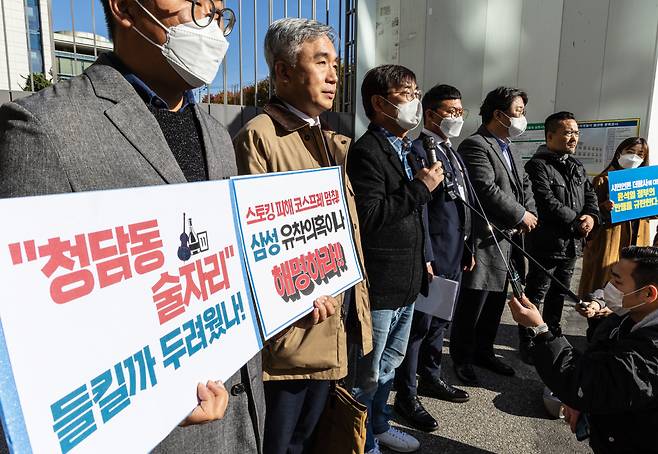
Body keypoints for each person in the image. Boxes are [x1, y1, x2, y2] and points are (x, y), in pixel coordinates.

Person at [0, 1, 265, 452]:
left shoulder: (217, 134)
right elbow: (27, 339)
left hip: (242, 418)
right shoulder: (44, 129)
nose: (213, 27)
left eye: (219, 12)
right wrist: (150, 400)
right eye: (196, 6)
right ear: (124, 8)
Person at [232, 18, 373, 454]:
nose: (334, 76)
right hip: (294, 335)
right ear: (284, 72)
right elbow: (255, 247)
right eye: (321, 62)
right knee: (282, 443)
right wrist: (293, 304)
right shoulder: (259, 137)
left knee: (314, 437)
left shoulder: (328, 139)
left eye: (336, 64)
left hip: (334, 321)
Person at [347, 64, 443, 454]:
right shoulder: (367, 151)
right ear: (379, 102)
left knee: (392, 363)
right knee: (368, 372)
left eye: (416, 92)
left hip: (409, 277)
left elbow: (415, 218)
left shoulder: (409, 149)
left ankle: (380, 425)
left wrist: (425, 258)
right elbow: (370, 217)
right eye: (406, 94)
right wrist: (421, 188)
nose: (415, 101)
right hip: (382, 282)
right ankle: (360, 440)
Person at [509, 246, 658, 454]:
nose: (609, 288)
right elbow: (601, 359)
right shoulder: (633, 314)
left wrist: (540, 330)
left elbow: (591, 382)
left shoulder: (650, 354)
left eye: (617, 282)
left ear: (648, 293)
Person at [393, 84, 471, 433]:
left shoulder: (450, 151)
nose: (457, 118)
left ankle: (431, 375)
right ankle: (407, 395)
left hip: (455, 250)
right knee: (418, 327)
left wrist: (467, 245)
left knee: (440, 320)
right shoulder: (418, 150)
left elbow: (462, 202)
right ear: (431, 114)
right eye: (451, 112)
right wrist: (425, 254)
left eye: (460, 112)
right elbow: (420, 210)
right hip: (433, 253)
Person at [450, 86, 537, 385]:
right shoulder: (475, 145)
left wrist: (529, 212)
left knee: (496, 302)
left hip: (509, 239)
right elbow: (486, 189)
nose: (522, 118)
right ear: (498, 114)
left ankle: (484, 351)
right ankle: (461, 358)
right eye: (518, 112)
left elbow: (524, 186)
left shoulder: (508, 146)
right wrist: (520, 214)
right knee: (473, 303)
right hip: (485, 240)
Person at [519, 112, 600, 364]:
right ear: (550, 135)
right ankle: (529, 341)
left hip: (571, 245)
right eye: (567, 132)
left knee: (559, 294)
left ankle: (552, 338)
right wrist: (577, 222)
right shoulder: (537, 165)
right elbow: (545, 201)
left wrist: (591, 217)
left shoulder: (576, 165)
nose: (573, 137)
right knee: (536, 294)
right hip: (546, 244)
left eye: (576, 132)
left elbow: (590, 196)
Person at [579, 137, 652, 296]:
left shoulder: (648, 182)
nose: (634, 158)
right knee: (603, 286)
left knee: (632, 285)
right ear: (620, 153)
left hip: (637, 240)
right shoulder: (603, 180)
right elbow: (589, 211)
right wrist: (603, 208)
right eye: (630, 152)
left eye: (640, 154)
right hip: (610, 240)